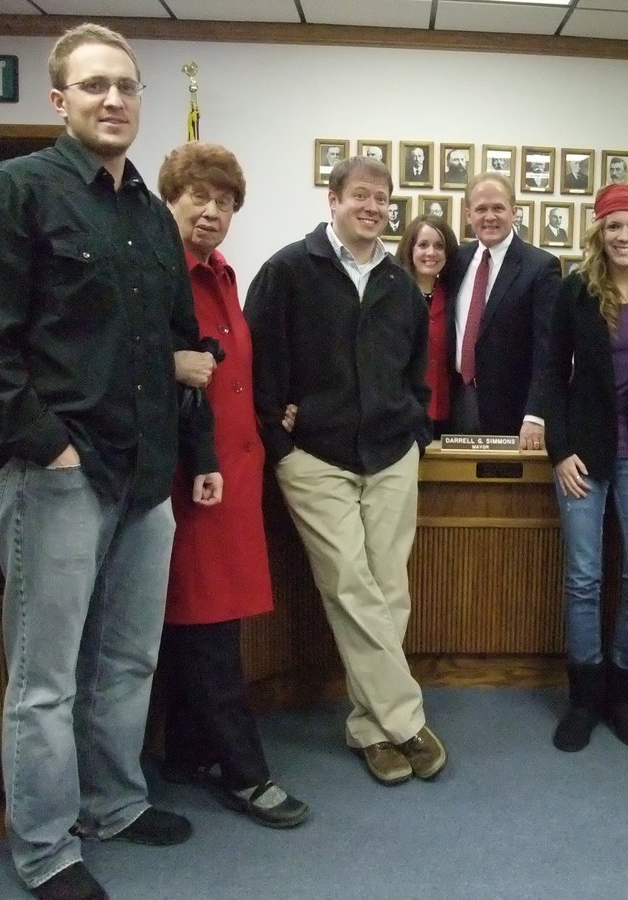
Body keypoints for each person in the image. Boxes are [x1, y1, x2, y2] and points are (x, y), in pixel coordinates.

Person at [0, 23, 221, 900]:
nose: (114, 100)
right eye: (95, 86)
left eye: (127, 87)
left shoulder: (145, 211)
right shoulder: (13, 191)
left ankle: (115, 802)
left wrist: (187, 441)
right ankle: (47, 848)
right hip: (56, 473)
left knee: (126, 660)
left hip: (143, 477)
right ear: (59, 100)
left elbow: (178, 344)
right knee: (45, 681)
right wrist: (49, 446)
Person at [244, 155, 446, 788]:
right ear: (331, 199)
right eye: (360, 195)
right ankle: (407, 720)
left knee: (390, 590)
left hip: (390, 455)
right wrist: (282, 447)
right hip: (315, 459)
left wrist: (414, 428)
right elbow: (258, 369)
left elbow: (416, 371)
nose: (373, 207)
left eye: (382, 198)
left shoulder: (398, 281)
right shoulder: (287, 271)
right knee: (351, 585)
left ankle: (368, 727)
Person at [156, 141, 309, 830]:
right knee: (206, 627)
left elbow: (232, 370)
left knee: (210, 621)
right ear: (171, 199)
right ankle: (247, 774)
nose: (213, 211)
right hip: (191, 480)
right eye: (200, 197)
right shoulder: (158, 274)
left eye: (225, 201)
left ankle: (191, 751)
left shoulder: (221, 273)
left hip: (237, 476)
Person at [540, 183, 628, 752]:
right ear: (599, 231)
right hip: (583, 456)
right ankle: (584, 696)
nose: (624, 236)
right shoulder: (574, 290)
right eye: (614, 226)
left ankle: (624, 691)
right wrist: (559, 449)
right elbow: (547, 371)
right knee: (584, 579)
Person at [443, 171, 561, 444]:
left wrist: (535, 416)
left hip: (514, 414)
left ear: (514, 211)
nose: (490, 217)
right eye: (481, 209)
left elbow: (548, 350)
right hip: (457, 403)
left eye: (498, 208)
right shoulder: (455, 261)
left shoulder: (541, 267)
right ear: (468, 214)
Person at [396, 213, 460, 434]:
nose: (431, 253)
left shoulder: (455, 296)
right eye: (423, 245)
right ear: (410, 249)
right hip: (402, 411)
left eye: (439, 246)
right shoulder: (394, 294)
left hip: (449, 413)